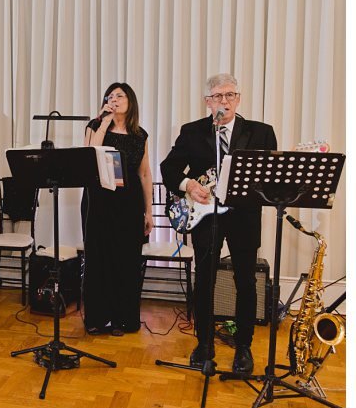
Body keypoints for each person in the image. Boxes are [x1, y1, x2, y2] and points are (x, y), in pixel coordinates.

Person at [160, 73, 277, 374]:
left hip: (244, 217)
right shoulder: (193, 131)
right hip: (205, 217)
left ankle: (244, 348)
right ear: (207, 102)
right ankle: (204, 344)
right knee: (205, 282)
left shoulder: (261, 132)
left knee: (246, 283)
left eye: (229, 95)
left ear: (239, 98)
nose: (224, 102)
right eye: (217, 97)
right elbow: (168, 167)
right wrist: (188, 185)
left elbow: (271, 175)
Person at [81, 83, 153, 336]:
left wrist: (149, 211)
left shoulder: (140, 135)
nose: (114, 99)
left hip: (129, 202)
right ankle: (98, 318)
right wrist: (103, 122)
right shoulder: (94, 126)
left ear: (131, 101)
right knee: (99, 257)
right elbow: (90, 154)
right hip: (99, 200)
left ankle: (124, 318)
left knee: (127, 259)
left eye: (119, 95)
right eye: (110, 96)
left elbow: (144, 174)